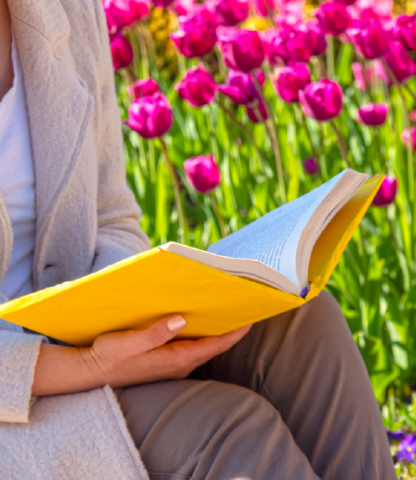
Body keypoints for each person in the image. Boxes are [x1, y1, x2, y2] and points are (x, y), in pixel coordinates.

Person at [0, 0, 396, 479]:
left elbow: (110, 215)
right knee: (231, 434)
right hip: (16, 395)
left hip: (78, 336)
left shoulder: (65, 9)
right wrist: (90, 364)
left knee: (301, 325)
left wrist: (140, 305)